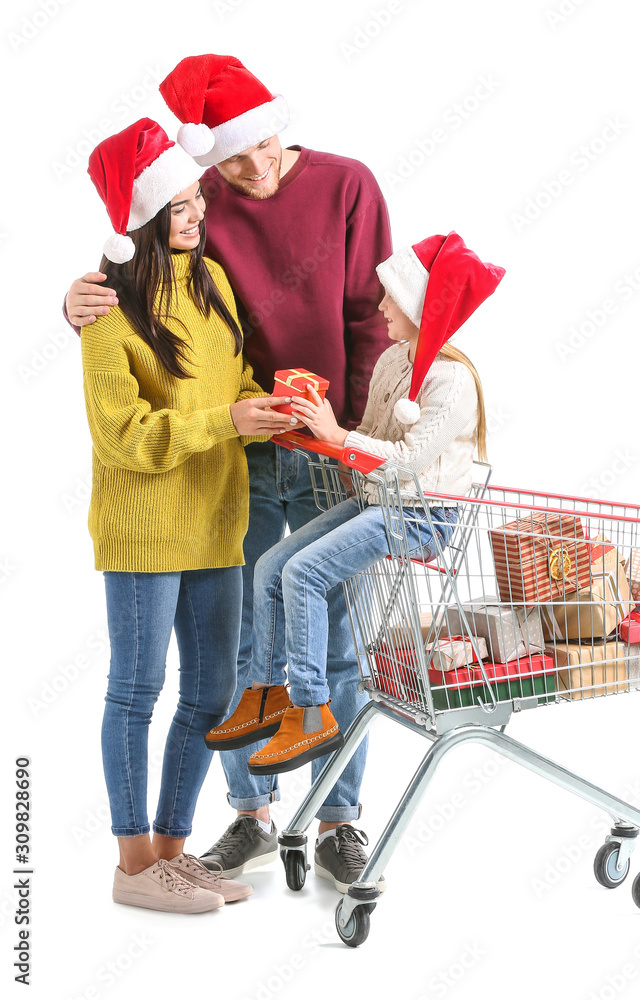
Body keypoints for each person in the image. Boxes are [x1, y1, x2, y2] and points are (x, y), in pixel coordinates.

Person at [65, 55, 392, 889]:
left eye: (259, 147)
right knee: (247, 646)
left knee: (339, 640)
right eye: (224, 165)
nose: (249, 172)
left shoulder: (348, 187)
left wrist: (350, 437)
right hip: (231, 459)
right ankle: (248, 814)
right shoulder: (198, 217)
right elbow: (138, 288)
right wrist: (75, 301)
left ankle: (338, 818)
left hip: (326, 448)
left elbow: (373, 320)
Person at [208, 233, 504, 890]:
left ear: (424, 308)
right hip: (380, 499)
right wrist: (307, 428)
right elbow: (366, 443)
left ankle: (309, 712)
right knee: (270, 570)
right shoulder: (399, 361)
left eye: (393, 300)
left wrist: (338, 435)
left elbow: (402, 461)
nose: (380, 309)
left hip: (421, 513)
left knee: (307, 574)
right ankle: (262, 697)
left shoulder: (452, 380)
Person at [81, 118, 296, 913]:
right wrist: (225, 425)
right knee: (136, 691)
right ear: (139, 221)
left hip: (217, 521)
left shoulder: (211, 285)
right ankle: (132, 866)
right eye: (177, 208)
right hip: (144, 530)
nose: (197, 215)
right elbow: (127, 436)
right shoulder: (103, 310)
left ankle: (172, 853)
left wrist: (262, 405)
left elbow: (231, 380)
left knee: (210, 695)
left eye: (195, 199)